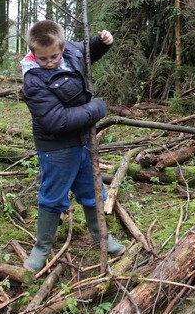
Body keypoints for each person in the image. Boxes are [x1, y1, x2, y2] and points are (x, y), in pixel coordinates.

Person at [20, 20, 125, 273]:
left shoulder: (71, 51)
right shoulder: (33, 80)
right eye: (42, 58)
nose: (49, 63)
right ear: (33, 53)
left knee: (92, 189)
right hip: (56, 148)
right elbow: (56, 120)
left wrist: (101, 43)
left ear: (62, 47)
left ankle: (101, 237)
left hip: (84, 141)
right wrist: (95, 109)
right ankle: (42, 248)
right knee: (53, 195)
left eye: (54, 56)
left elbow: (86, 52)